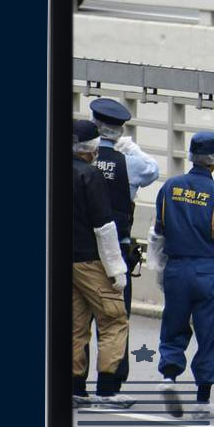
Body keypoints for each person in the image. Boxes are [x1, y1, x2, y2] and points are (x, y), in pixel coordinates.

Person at [145, 131, 214, 419]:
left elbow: (157, 234)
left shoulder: (170, 188)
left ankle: (168, 377)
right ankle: (202, 399)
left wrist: (158, 268)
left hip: (176, 268)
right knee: (209, 333)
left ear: (191, 156)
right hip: (207, 270)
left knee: (174, 325)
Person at [71, 120, 133, 410]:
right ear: (92, 149)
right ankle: (107, 390)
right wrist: (117, 269)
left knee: (75, 324)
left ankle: (73, 387)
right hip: (90, 259)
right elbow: (104, 227)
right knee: (114, 319)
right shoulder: (89, 175)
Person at [90, 97, 160, 317]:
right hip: (117, 248)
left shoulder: (80, 159)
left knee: (77, 327)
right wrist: (131, 148)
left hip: (79, 248)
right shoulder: (130, 163)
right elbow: (153, 169)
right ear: (119, 132)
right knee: (116, 322)